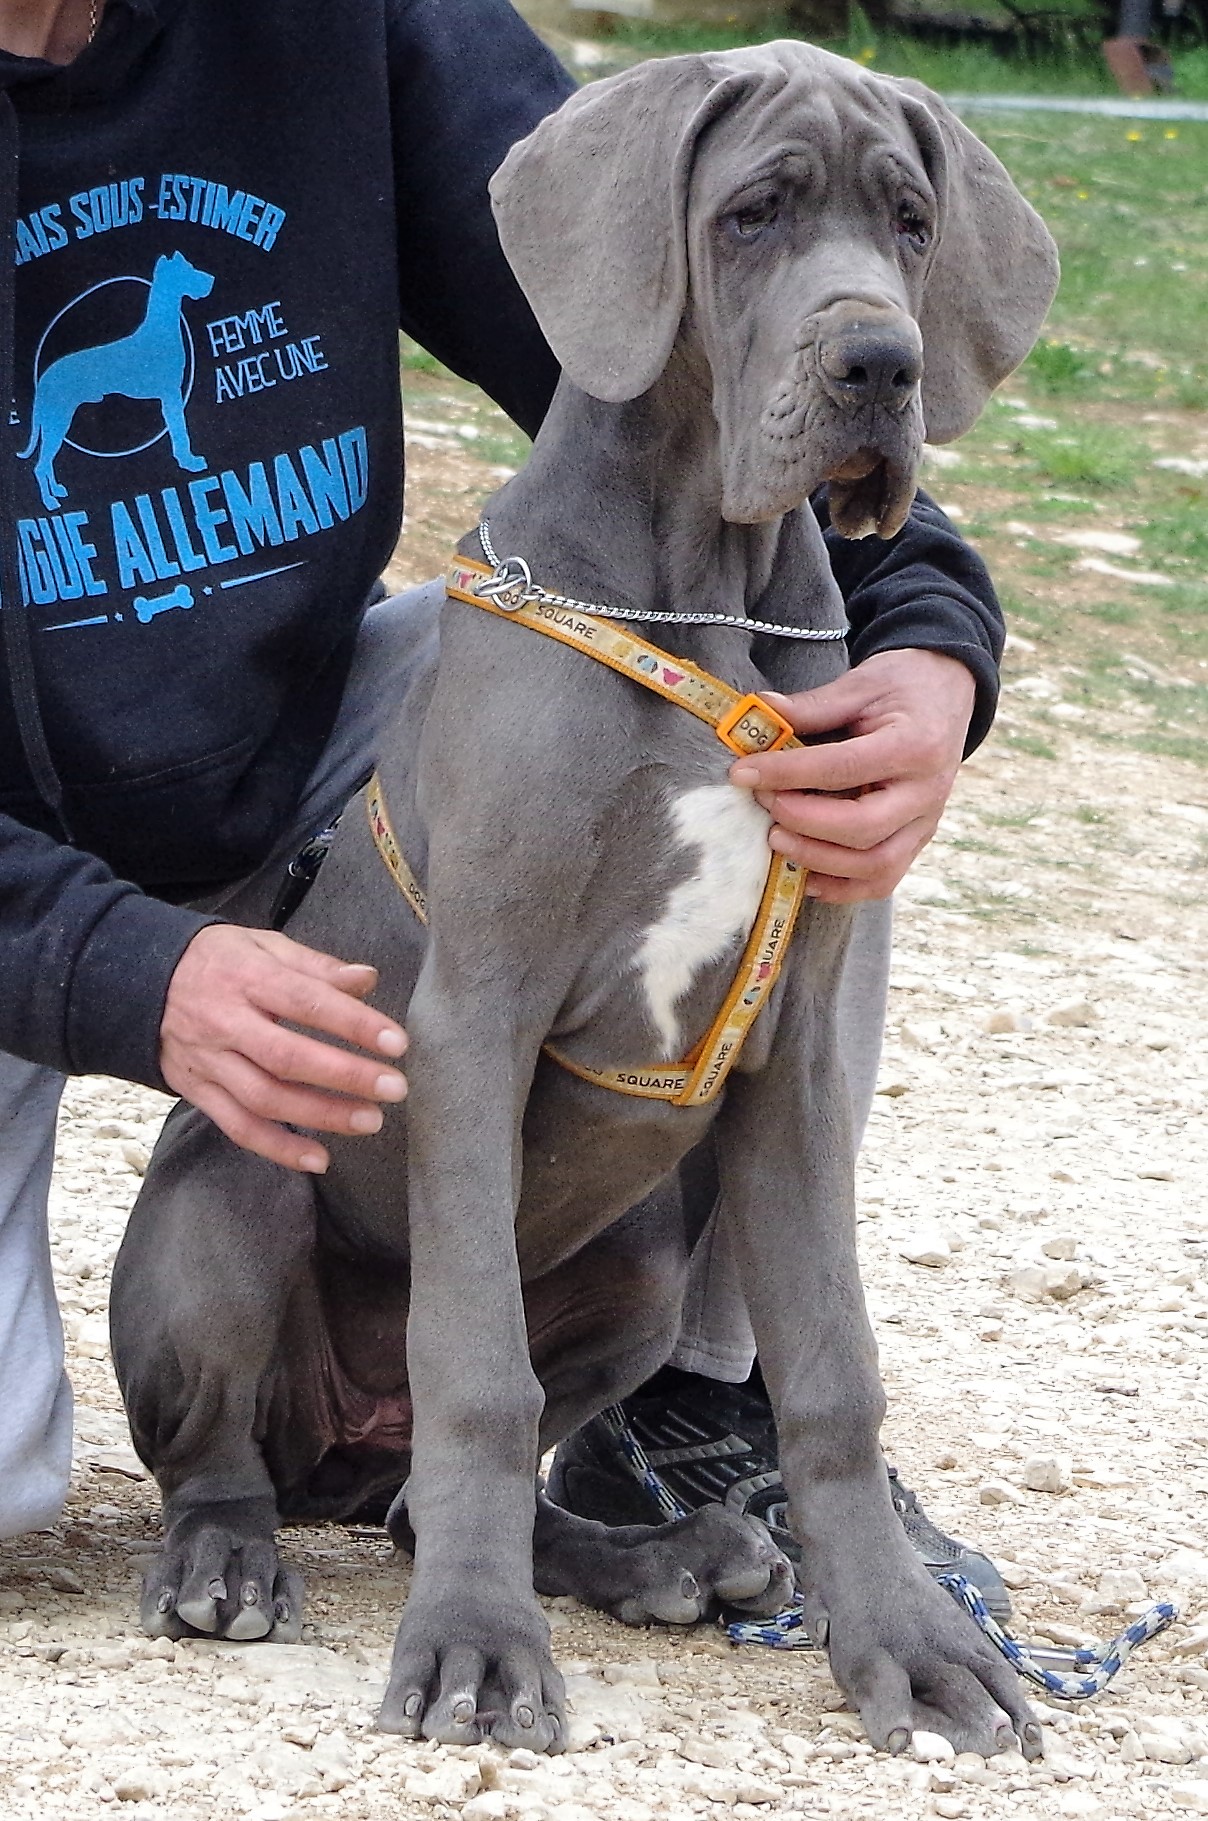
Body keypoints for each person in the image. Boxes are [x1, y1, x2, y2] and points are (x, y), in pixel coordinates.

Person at [0, 0, 1004, 1610]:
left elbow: (668, 332)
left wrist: (932, 642)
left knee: (766, 716)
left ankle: (699, 1403)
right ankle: (238, 1474)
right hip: (16, 854)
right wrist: (119, 968)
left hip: (302, 730)